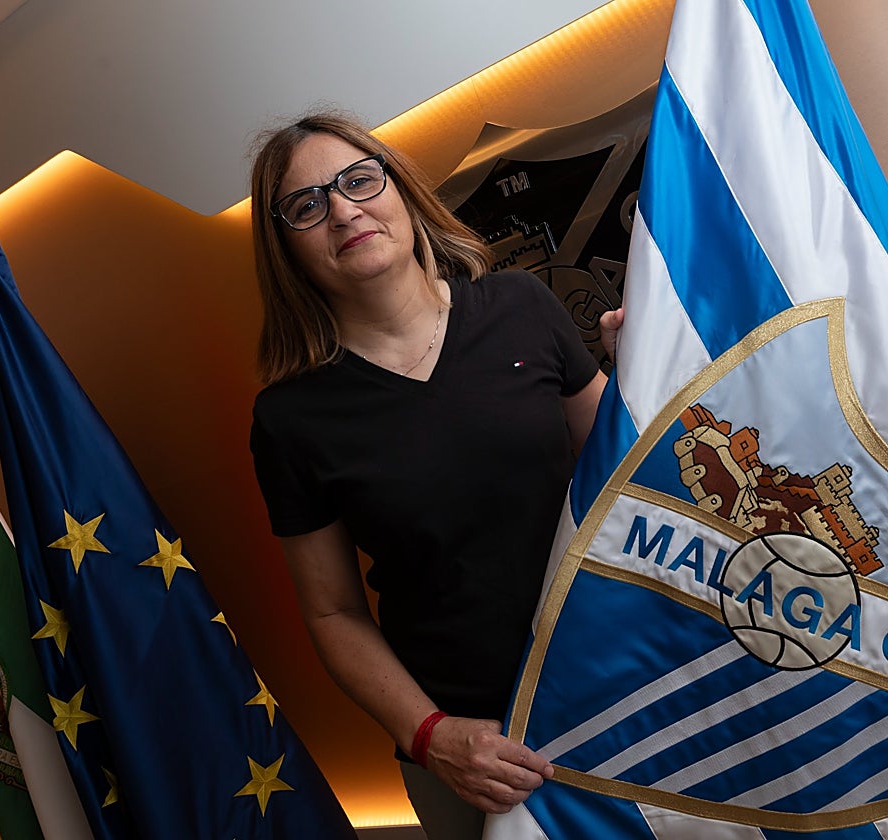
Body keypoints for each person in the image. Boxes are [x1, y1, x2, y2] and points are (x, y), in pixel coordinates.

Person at [246, 111, 623, 840]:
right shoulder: (290, 419)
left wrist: (639, 378)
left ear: (402, 191)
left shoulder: (521, 306)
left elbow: (625, 478)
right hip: (475, 749)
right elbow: (333, 613)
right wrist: (432, 736)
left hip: (621, 675)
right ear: (286, 249)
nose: (345, 209)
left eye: (358, 180)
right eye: (307, 204)